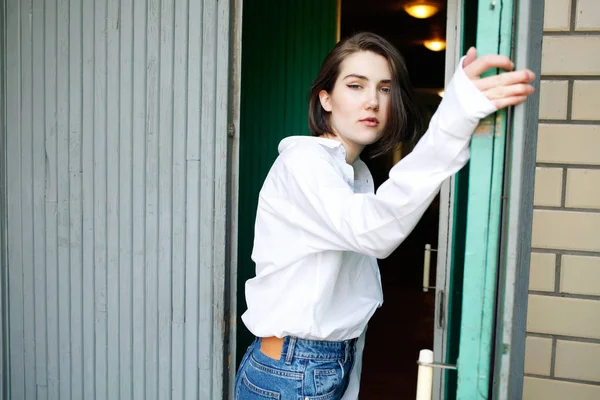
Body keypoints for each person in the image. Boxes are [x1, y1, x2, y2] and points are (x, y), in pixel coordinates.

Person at [234, 32, 535, 399]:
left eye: (385, 89)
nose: (372, 102)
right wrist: (454, 119)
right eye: (355, 86)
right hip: (294, 370)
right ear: (325, 99)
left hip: (318, 365)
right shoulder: (304, 162)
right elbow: (374, 230)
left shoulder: (354, 172)